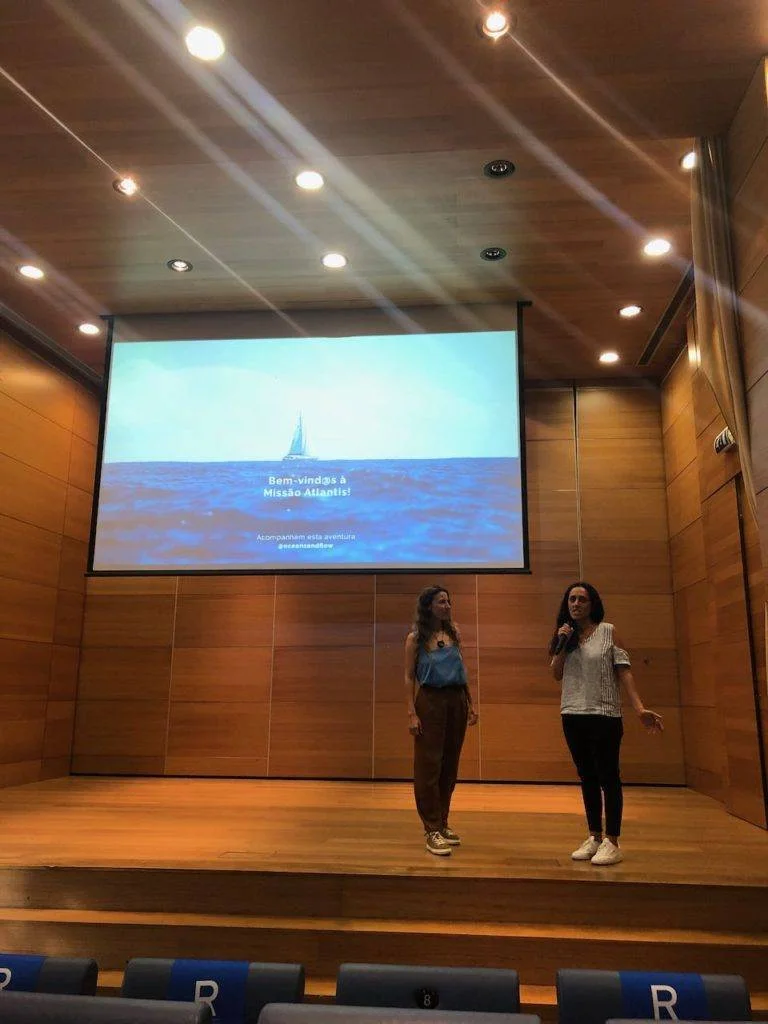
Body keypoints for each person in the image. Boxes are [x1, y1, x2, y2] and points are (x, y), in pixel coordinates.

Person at [549, 581, 663, 866]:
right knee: (586, 775)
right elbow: (555, 674)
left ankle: (613, 840)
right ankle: (594, 836)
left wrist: (639, 708)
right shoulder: (565, 636)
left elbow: (624, 672)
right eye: (571, 600)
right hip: (572, 713)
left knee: (608, 777)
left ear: (592, 604)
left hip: (604, 714)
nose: (575, 604)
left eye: (582, 600)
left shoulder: (608, 631)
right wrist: (561, 644)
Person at [405, 585, 478, 856]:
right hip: (430, 701)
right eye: (441, 602)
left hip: (456, 699)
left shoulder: (454, 633)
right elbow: (408, 677)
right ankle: (431, 828)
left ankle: (444, 821)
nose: (447, 606)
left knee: (450, 764)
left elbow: (462, 670)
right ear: (428, 606)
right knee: (428, 766)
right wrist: (411, 712)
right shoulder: (415, 638)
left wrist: (470, 703)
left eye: (448, 601)